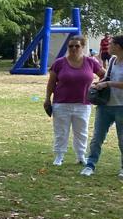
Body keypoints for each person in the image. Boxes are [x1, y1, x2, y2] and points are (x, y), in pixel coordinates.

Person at [43, 35, 104, 166]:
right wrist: (47, 99)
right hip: (61, 103)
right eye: (71, 46)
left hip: (83, 104)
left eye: (77, 46)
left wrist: (98, 86)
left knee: (81, 132)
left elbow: (104, 75)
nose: (74, 48)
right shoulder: (59, 63)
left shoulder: (90, 62)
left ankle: (81, 156)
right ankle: (59, 156)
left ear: (82, 47)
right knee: (61, 131)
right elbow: (51, 82)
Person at [81, 35, 123, 179]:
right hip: (105, 105)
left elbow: (112, 83)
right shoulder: (112, 60)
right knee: (97, 138)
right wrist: (98, 83)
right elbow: (108, 77)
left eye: (111, 44)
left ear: (118, 46)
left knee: (122, 140)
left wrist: (108, 84)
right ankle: (90, 165)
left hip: (121, 106)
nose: (107, 46)